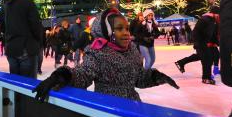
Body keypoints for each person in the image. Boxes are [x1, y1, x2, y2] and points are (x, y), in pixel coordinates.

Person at [32, 8, 179, 102]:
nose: (126, 32)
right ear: (109, 32)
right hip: (108, 110)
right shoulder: (97, 53)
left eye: (127, 28)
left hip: (134, 108)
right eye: (119, 28)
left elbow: (137, 78)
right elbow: (83, 74)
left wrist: (155, 77)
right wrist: (61, 76)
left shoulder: (132, 50)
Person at [0, 0, 42, 78]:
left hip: (11, 49)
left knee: (15, 83)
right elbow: (36, 26)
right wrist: (38, 41)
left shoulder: (5, 5)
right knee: (28, 84)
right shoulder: (28, 3)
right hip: (26, 48)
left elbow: (2, 27)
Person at [174, 6, 220, 83]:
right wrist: (198, 43)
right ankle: (206, 78)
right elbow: (195, 32)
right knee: (207, 59)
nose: (220, 16)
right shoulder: (205, 19)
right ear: (214, 14)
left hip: (206, 43)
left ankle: (181, 62)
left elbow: (213, 34)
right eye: (219, 14)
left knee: (204, 57)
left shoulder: (213, 21)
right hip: (201, 42)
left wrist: (216, 43)